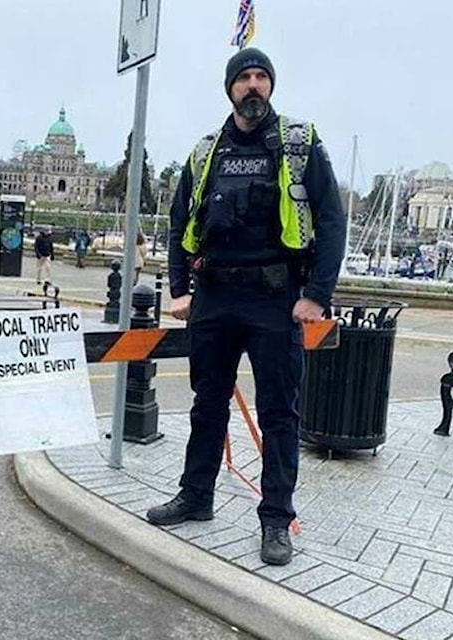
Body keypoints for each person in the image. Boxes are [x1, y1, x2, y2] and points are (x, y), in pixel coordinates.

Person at [147, 48, 344, 566]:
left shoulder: (299, 145)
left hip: (275, 300)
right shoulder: (208, 150)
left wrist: (317, 294)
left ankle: (276, 518)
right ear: (230, 87)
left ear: (270, 86)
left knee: (278, 413)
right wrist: (178, 288)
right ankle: (196, 496)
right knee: (206, 405)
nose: (253, 86)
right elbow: (177, 223)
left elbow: (331, 220)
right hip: (213, 296)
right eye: (244, 78)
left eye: (261, 78)